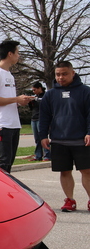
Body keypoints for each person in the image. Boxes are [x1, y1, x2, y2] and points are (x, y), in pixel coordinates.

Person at [39, 61, 90, 212]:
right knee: (64, 171)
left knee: (87, 171)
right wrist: (43, 136)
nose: (61, 77)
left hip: (81, 140)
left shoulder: (85, 91)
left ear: (73, 73)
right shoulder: (50, 94)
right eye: (58, 74)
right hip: (59, 140)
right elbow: (44, 117)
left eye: (64, 74)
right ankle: (70, 200)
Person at [0, 40, 34, 173]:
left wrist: (20, 101)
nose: (19, 56)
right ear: (10, 54)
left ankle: (7, 192)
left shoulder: (9, 75)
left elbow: (8, 99)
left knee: (9, 162)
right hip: (3, 124)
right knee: (4, 162)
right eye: (17, 53)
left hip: (14, 124)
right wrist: (16, 99)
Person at [28, 82, 50, 161]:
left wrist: (35, 99)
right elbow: (32, 108)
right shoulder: (35, 97)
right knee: (37, 139)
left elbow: (44, 103)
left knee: (43, 137)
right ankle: (38, 155)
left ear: (40, 88)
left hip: (41, 119)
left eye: (35, 90)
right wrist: (30, 102)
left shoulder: (45, 96)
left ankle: (47, 155)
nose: (34, 92)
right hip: (34, 118)